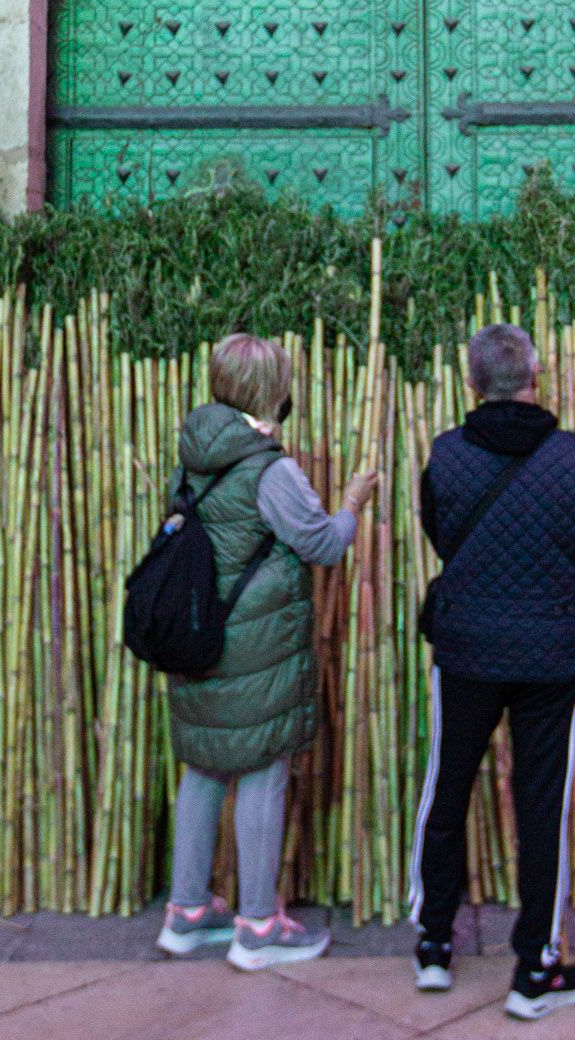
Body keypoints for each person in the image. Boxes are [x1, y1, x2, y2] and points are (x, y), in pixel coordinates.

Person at [409, 322, 575, 1020]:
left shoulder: (444, 455)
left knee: (448, 786)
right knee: (541, 805)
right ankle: (535, 967)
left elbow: (441, 535)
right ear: (537, 374)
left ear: (472, 382)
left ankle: (434, 947)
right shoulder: (574, 457)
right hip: (550, 657)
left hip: (468, 648)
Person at [157, 331, 378, 969]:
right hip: (258, 647)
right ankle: (257, 927)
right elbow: (325, 545)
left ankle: (187, 913)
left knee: (202, 767)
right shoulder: (269, 469)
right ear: (272, 391)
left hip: (198, 634)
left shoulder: (193, 458)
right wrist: (354, 504)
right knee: (261, 770)